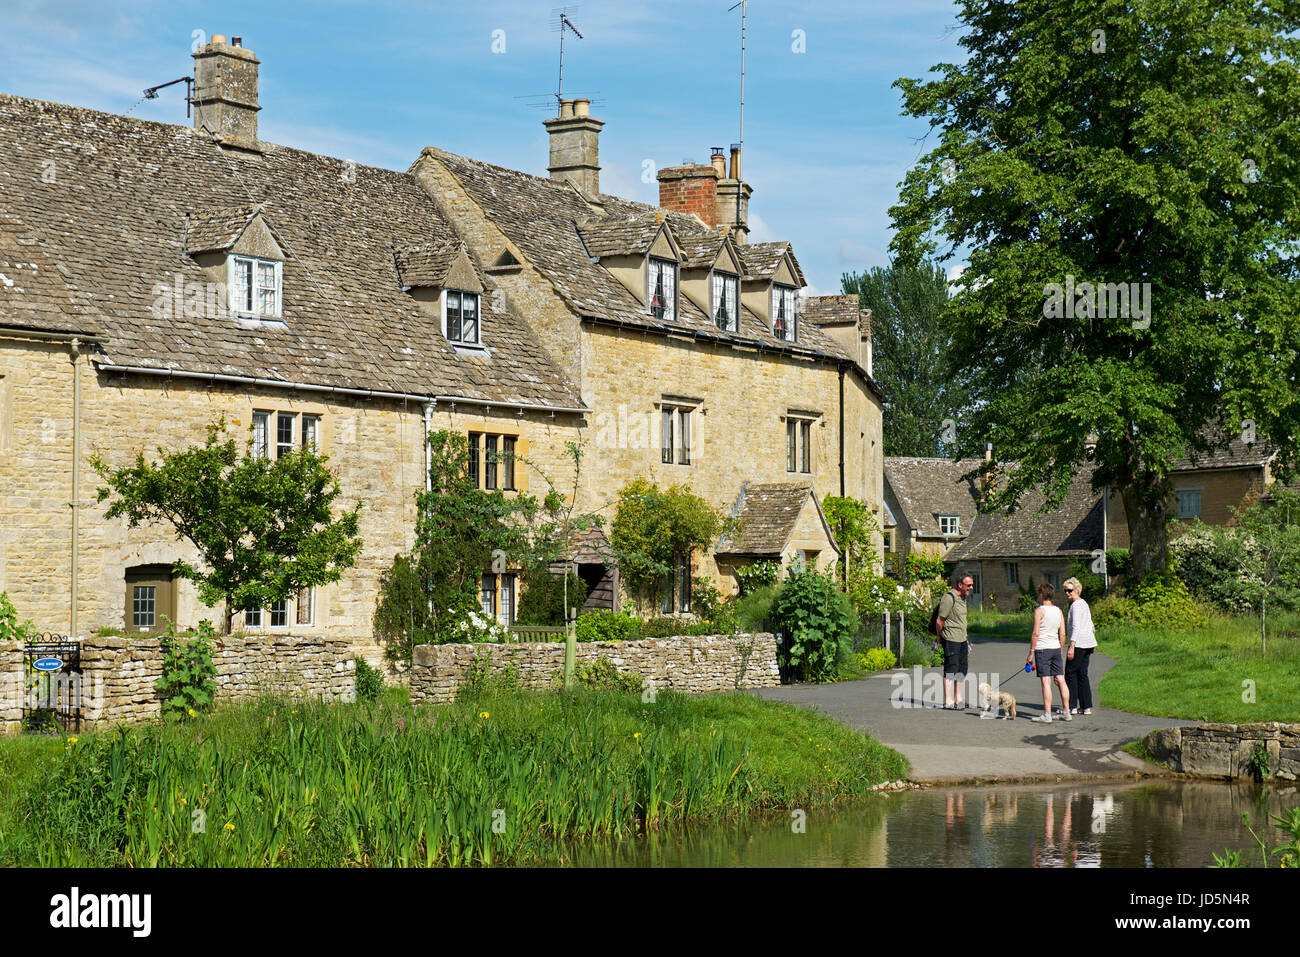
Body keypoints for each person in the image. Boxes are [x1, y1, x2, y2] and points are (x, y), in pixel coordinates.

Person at [1027, 581, 1070, 722]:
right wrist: (1060, 648)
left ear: (1041, 595)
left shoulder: (1039, 611)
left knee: (1046, 681)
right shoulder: (1058, 611)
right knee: (1061, 680)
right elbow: (1062, 634)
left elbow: (1035, 634)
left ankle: (1047, 714)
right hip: (1055, 648)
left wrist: (1031, 652)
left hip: (1042, 649)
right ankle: (1066, 711)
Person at [936, 571, 974, 709]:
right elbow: (940, 620)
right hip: (951, 639)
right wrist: (939, 636)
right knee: (951, 668)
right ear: (960, 584)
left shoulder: (963, 598)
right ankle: (948, 701)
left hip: (962, 639)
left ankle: (958, 698)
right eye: (968, 585)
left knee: (962, 668)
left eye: (972, 585)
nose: (971, 587)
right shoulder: (949, 598)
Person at [1062, 577, 1097, 714]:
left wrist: (1071, 645)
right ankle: (1086, 706)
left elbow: (1076, 626)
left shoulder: (1076, 605)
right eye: (1065, 590)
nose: (1067, 593)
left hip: (1079, 644)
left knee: (1070, 673)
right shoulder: (1084, 604)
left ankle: (1072, 706)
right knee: (1082, 674)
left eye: (1070, 590)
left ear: (1077, 590)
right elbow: (1091, 624)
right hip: (1088, 643)